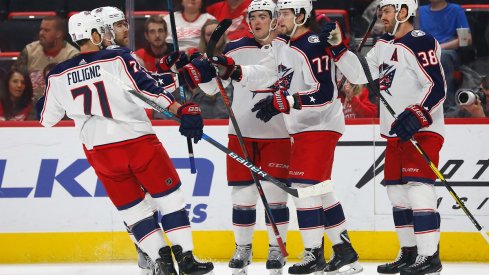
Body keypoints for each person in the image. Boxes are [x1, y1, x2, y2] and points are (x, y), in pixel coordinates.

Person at [40, 11, 214, 275]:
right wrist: (180, 109)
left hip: (99, 152)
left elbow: (47, 119)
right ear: (96, 35)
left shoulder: (57, 75)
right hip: (136, 141)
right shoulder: (116, 56)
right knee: (169, 199)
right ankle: (186, 258)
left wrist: (50, 97)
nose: (111, 35)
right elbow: (147, 90)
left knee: (133, 211)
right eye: (106, 31)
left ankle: (161, 262)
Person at [195, 0, 363, 274]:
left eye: (283, 13)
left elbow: (323, 94)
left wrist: (285, 101)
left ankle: (313, 254)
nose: (278, 19)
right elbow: (263, 72)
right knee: (319, 190)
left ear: (300, 15)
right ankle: (345, 251)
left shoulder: (313, 43)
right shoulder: (281, 46)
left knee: (303, 189)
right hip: (302, 128)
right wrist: (234, 70)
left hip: (320, 125)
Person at [321, 0, 445, 274]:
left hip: (422, 129)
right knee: (397, 193)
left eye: (387, 10)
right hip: (394, 131)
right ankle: (409, 253)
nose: (382, 15)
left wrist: (418, 114)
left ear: (403, 12)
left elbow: (437, 85)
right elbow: (359, 75)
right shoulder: (382, 45)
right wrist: (339, 48)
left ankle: (429, 256)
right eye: (381, 11)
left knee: (418, 189)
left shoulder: (419, 40)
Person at [200, 0, 291, 273]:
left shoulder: (288, 49)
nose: (256, 22)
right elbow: (212, 90)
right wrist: (205, 72)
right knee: (242, 195)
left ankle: (277, 249)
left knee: (276, 196)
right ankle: (243, 248)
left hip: (279, 133)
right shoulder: (235, 48)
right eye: (252, 17)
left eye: (262, 16)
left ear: (274, 18)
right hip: (241, 132)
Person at [419, 0, 472, 112]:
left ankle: (447, 108)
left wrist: (439, 47)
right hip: (423, 52)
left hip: (448, 52)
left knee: (442, 57)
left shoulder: (455, 10)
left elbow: (467, 39)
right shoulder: (420, 11)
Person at [12, 15, 79, 100]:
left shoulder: (73, 56)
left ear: (59, 34)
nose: (41, 33)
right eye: (41, 29)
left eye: (46, 30)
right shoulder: (29, 51)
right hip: (30, 108)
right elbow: (14, 78)